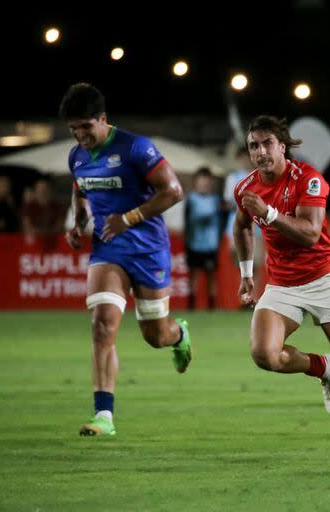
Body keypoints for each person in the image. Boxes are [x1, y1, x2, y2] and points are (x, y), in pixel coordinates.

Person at [233, 115, 330, 453]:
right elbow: (241, 225)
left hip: (325, 279)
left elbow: (311, 233)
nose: (260, 152)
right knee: (264, 354)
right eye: (253, 146)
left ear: (282, 146)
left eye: (266, 144)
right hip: (283, 283)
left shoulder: (309, 179)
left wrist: (269, 214)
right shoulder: (246, 188)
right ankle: (321, 365)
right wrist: (246, 274)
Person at [60, 83, 192, 437]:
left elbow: (174, 191)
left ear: (103, 119)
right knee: (102, 325)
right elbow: (80, 190)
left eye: (86, 127)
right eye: (74, 129)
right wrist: (79, 223)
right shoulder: (76, 156)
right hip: (108, 249)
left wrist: (129, 218)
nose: (80, 135)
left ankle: (179, 336)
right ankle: (104, 414)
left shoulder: (135, 147)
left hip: (148, 249)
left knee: (155, 335)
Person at [184, 167, 222, 310]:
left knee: (211, 275)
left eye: (206, 182)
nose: (204, 184)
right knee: (194, 274)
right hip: (194, 244)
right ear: (196, 183)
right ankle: (191, 305)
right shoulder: (191, 199)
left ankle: (211, 305)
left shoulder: (216, 200)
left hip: (211, 244)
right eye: (201, 182)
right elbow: (188, 221)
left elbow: (221, 221)